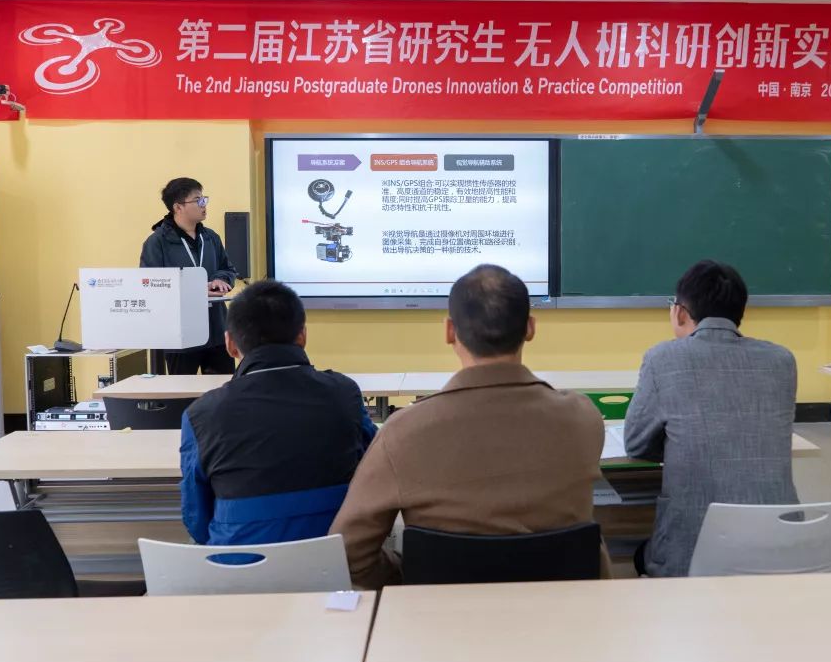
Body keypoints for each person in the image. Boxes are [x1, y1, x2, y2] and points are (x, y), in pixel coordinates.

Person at [330, 264, 608, 588]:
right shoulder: (583, 418)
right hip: (566, 611)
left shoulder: (403, 432)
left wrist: (408, 575)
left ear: (450, 331)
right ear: (530, 328)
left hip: (441, 613)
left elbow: (348, 553)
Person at [624, 260, 798, 578]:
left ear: (679, 312)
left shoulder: (663, 358)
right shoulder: (782, 361)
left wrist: (683, 444)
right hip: (779, 551)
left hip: (691, 555)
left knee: (635, 554)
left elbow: (636, 444)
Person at [180, 279, 377, 546]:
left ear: (230, 345)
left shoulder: (201, 414)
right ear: (302, 335)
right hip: (336, 558)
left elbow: (196, 517)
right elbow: (375, 469)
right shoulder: (344, 393)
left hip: (237, 565)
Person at [139, 177, 237, 375]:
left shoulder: (210, 237)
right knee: (181, 391)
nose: (204, 204)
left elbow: (227, 268)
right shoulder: (157, 242)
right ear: (178, 207)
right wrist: (195, 290)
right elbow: (150, 285)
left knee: (223, 389)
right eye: (198, 200)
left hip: (216, 330)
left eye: (204, 199)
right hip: (180, 336)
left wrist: (221, 279)